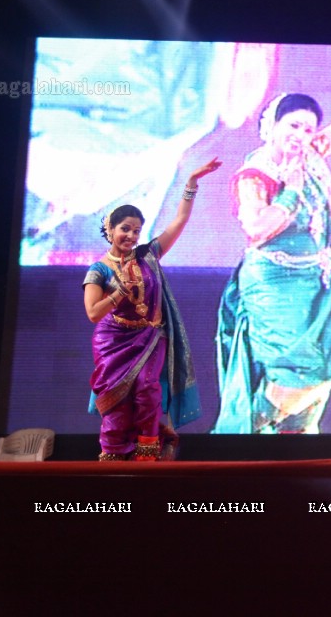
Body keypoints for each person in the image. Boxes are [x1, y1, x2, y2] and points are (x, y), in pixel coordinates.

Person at [213, 47, 331, 433]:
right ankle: (247, 431)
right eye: (294, 126)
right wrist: (290, 192)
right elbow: (256, 229)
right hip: (276, 287)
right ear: (273, 125)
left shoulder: (312, 154)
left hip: (320, 282)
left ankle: (291, 447)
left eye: (309, 128)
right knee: (298, 371)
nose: (302, 135)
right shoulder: (256, 174)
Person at [82, 159, 222, 461]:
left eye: (136, 230)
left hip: (150, 336)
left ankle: (148, 451)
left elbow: (179, 221)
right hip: (113, 341)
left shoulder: (148, 255)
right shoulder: (98, 270)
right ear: (110, 229)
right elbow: (93, 314)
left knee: (147, 388)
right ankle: (113, 453)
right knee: (117, 404)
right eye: (125, 229)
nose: (131, 236)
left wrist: (191, 183)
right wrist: (120, 292)